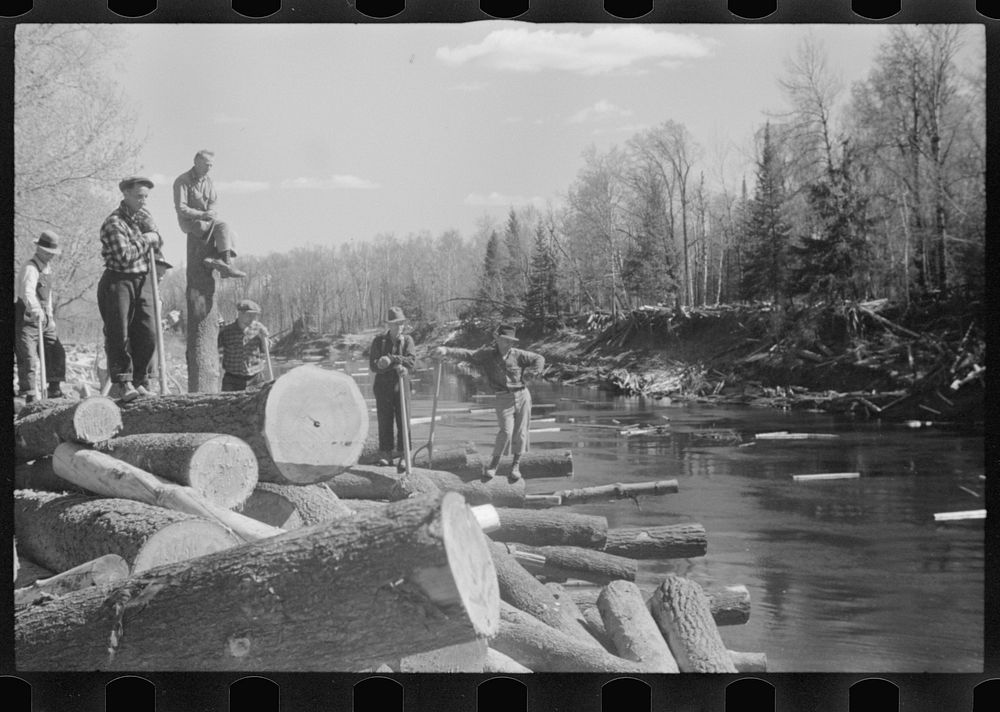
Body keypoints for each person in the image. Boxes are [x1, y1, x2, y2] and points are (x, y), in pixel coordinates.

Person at [434, 325, 544, 481]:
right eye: (505, 340)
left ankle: (516, 466)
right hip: (502, 398)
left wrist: (535, 372)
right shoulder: (486, 355)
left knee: (521, 433)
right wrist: (446, 351)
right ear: (497, 338)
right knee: (505, 431)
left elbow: (539, 358)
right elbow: (467, 354)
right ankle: (493, 465)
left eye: (511, 341)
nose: (508, 344)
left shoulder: (519, 355)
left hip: (522, 395)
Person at [98, 176, 164, 402]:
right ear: (125, 194)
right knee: (119, 333)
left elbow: (158, 241)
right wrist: (147, 238)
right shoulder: (114, 223)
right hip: (119, 280)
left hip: (143, 278)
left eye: (146, 196)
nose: (143, 201)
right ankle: (123, 381)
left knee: (148, 331)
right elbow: (124, 256)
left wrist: (153, 235)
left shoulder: (143, 217)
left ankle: (141, 380)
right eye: (139, 196)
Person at [173, 149, 246, 279]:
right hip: (190, 222)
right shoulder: (182, 180)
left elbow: (213, 201)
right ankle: (225, 264)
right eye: (206, 164)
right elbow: (181, 208)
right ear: (196, 162)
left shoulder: (208, 181)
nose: (209, 168)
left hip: (206, 220)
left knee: (232, 234)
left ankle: (219, 261)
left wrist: (211, 212)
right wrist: (202, 214)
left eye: (211, 165)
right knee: (221, 225)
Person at [15, 231, 67, 402]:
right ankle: (28, 394)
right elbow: (27, 293)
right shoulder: (30, 267)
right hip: (26, 319)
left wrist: (49, 318)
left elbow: (48, 296)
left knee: (56, 350)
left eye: (52, 253)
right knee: (28, 358)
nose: (50, 256)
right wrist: (36, 309)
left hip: (44, 319)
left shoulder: (47, 268)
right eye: (47, 252)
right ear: (39, 249)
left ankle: (54, 389)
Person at [369, 306, 416, 468]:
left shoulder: (408, 340)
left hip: (401, 384)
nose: (400, 326)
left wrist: (391, 359)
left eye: (402, 323)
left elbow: (411, 361)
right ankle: (386, 453)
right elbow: (374, 366)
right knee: (385, 420)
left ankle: (404, 454)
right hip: (383, 387)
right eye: (396, 323)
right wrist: (391, 365)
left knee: (404, 419)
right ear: (389, 325)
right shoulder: (378, 341)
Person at [218, 299, 271, 391]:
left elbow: (265, 349)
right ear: (240, 314)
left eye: (254, 315)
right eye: (249, 315)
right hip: (232, 378)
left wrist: (264, 339)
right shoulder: (227, 331)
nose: (252, 318)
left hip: (255, 378)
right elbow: (216, 349)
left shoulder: (259, 328)